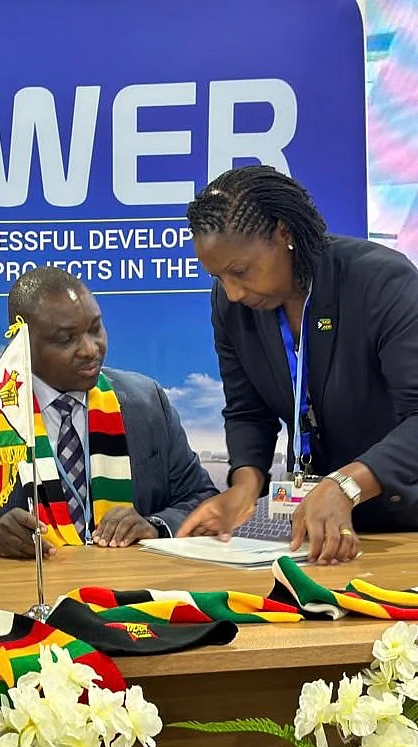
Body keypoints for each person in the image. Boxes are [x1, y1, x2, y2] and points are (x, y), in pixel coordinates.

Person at [177, 165, 418, 565]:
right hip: (316, 536)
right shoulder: (232, 307)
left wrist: (347, 485)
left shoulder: (381, 283)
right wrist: (243, 487)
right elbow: (247, 411)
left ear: (283, 233)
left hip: (406, 524)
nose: (232, 293)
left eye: (240, 272)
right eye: (219, 277)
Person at [0, 267, 217, 557]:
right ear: (22, 343)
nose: (90, 349)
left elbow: (202, 497)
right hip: (21, 592)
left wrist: (154, 526)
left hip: (127, 590)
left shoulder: (146, 401)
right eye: (66, 339)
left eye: (95, 328)